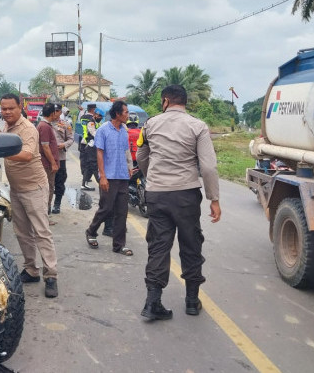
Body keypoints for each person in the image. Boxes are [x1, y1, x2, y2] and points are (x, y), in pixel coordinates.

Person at [136, 85, 221, 321]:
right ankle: (192, 301)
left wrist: (151, 178)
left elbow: (141, 156)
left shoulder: (150, 124)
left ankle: (153, 303)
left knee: (159, 246)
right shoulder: (198, 126)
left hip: (157, 195)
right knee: (191, 245)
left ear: (165, 101)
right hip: (186, 195)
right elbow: (208, 167)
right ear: (184, 102)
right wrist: (214, 199)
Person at [0, 93, 59, 298]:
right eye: (4, 108)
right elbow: (2, 144)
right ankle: (31, 269)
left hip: (34, 188)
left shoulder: (28, 129)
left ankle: (51, 275)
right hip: (16, 188)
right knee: (22, 232)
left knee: (41, 232)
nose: (7, 112)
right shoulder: (7, 126)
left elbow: (27, 155)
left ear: (20, 108)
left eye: (11, 108)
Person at [84, 101, 133, 255]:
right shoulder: (103, 130)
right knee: (106, 208)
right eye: (125, 112)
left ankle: (119, 245)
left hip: (123, 176)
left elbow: (125, 151)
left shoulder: (124, 130)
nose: (127, 115)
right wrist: (102, 176)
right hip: (109, 176)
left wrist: (129, 167)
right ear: (117, 113)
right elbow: (99, 152)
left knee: (122, 211)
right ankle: (91, 231)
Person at [37, 103, 60, 217]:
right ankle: (44, 216)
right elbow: (45, 146)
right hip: (46, 164)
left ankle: (44, 215)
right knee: (47, 189)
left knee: (48, 188)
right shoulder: (45, 126)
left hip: (47, 163)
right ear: (52, 113)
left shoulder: (45, 125)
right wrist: (53, 163)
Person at [52, 104, 73, 214]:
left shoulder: (65, 124)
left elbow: (71, 139)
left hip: (60, 158)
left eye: (57, 111)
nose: (55, 113)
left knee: (59, 182)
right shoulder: (46, 123)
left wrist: (64, 145)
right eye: (53, 110)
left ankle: (57, 204)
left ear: (60, 112)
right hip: (47, 158)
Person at [80, 104, 100, 190]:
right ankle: (99, 182)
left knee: (87, 164)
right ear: (93, 109)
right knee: (93, 164)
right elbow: (93, 132)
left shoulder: (82, 117)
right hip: (90, 142)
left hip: (84, 142)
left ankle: (85, 183)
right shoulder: (91, 120)